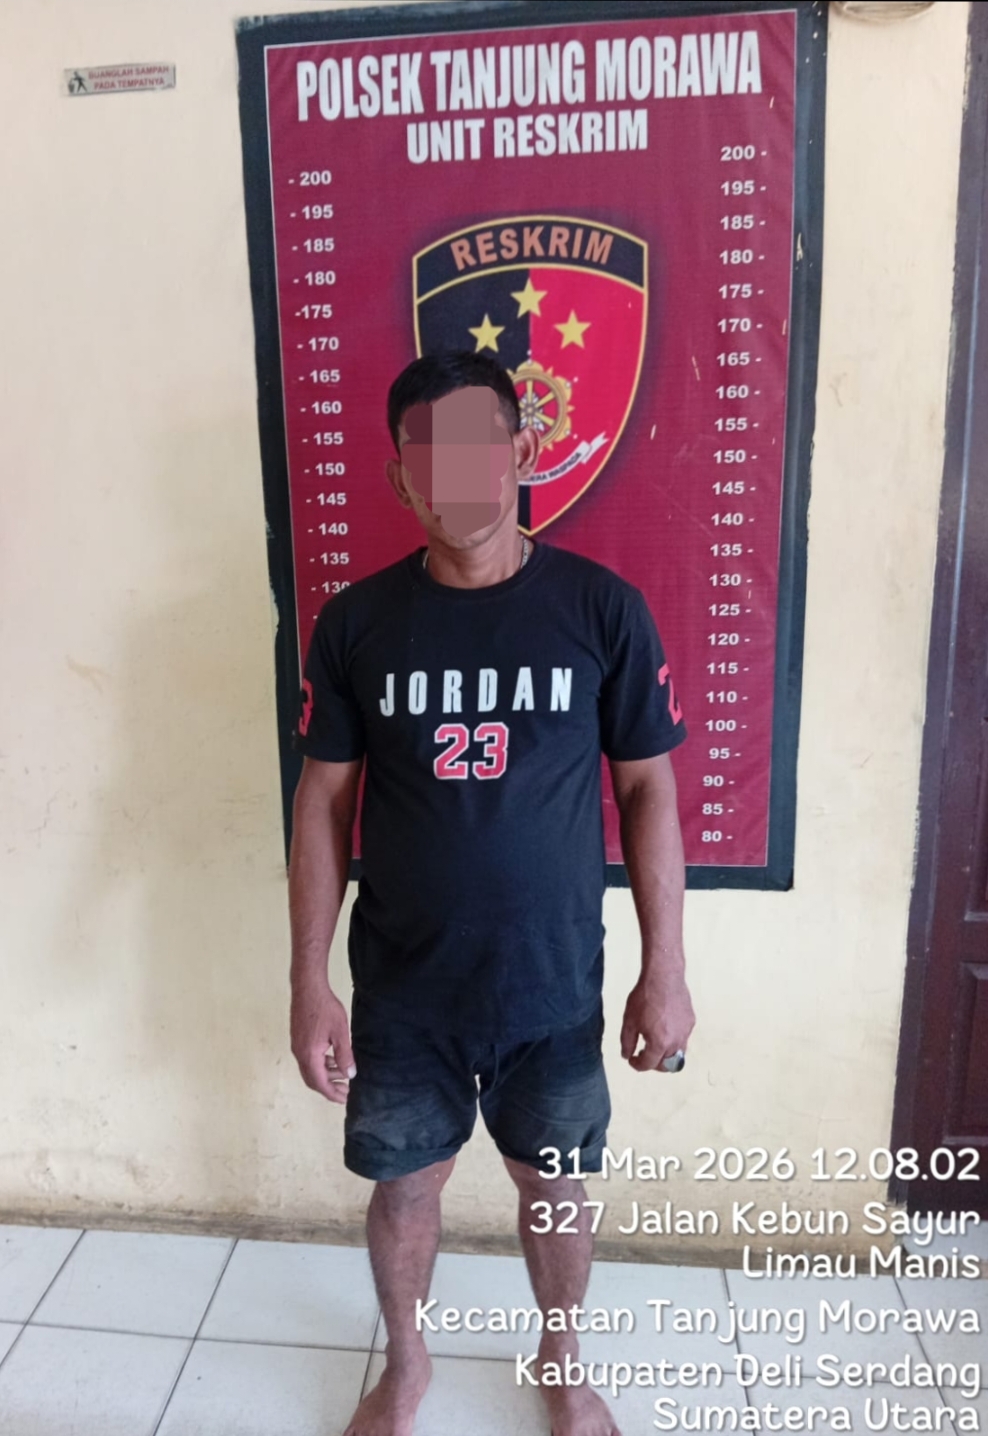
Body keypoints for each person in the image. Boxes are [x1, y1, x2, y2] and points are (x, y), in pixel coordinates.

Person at [289, 350, 695, 1436]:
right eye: (430, 457)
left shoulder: (601, 610)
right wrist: (308, 980)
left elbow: (648, 788)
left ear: (521, 450)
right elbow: (323, 802)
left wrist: (665, 969)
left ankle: (562, 1361)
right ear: (401, 479)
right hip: (402, 989)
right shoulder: (357, 623)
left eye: (476, 448)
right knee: (405, 1187)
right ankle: (407, 1364)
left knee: (553, 1188)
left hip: (551, 985)